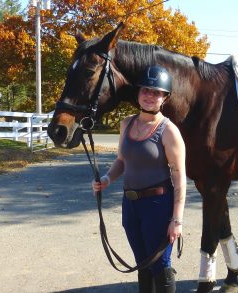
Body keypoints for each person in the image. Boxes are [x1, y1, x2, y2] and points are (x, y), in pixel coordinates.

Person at [92, 65, 186, 293]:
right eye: (146, 90)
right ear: (138, 93)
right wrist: (107, 178)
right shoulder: (127, 123)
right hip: (130, 204)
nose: (150, 96)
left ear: (165, 98)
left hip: (158, 205)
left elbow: (179, 175)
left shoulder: (168, 130)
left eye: (156, 92)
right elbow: (122, 160)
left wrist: (177, 219)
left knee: (160, 264)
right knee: (142, 262)